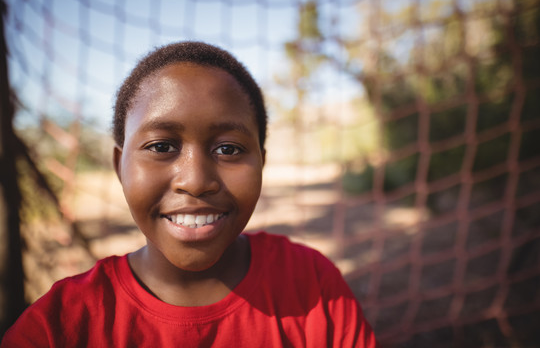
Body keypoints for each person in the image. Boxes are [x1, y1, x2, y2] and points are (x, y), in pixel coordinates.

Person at [2, 41, 378, 347]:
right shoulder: (57, 329)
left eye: (228, 149)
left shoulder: (312, 284)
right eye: (162, 146)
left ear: (261, 163)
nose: (196, 181)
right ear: (119, 166)